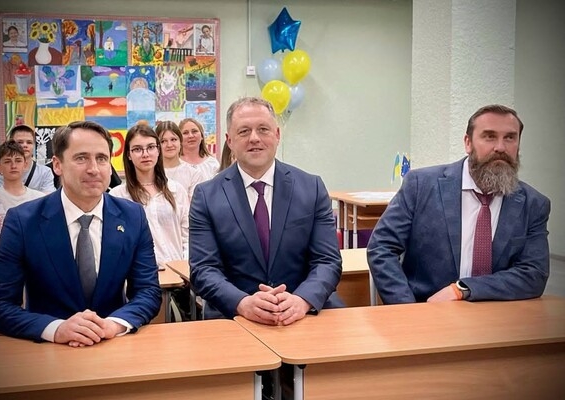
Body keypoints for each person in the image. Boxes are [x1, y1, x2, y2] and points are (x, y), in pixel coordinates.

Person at [0, 120, 162, 345]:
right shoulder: (23, 221)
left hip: (113, 344)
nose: (93, 169)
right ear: (57, 165)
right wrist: (56, 329)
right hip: (48, 350)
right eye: (81, 158)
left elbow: (148, 291)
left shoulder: (133, 216)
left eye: (101, 158)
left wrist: (114, 324)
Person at [367, 104, 551, 304]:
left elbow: (534, 273)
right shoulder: (421, 185)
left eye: (509, 138)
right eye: (489, 136)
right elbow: (382, 247)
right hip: (426, 309)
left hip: (497, 313)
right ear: (468, 143)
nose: (500, 147)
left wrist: (463, 289)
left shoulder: (533, 204)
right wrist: (407, 308)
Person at [189, 97, 343, 326]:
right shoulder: (206, 196)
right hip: (235, 316)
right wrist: (242, 302)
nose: (254, 138)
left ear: (277, 135)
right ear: (229, 141)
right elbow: (203, 269)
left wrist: (302, 300)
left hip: (303, 312)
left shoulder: (312, 187)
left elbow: (328, 261)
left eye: (263, 129)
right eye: (244, 131)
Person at [110, 123, 189, 263]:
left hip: (177, 271)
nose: (145, 154)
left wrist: (184, 264)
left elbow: (188, 236)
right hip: (140, 272)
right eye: (137, 149)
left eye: (151, 147)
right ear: (128, 154)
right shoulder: (118, 196)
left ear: (158, 150)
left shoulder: (176, 190)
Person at [0, 124, 56, 193]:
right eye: (20, 142)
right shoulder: (0, 172)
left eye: (29, 142)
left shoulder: (45, 172)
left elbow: (48, 197)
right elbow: (1, 196)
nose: (25, 145)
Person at [155, 120, 207, 199]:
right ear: (157, 145)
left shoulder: (194, 174)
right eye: (163, 141)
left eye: (173, 139)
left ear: (180, 141)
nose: (169, 145)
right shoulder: (151, 173)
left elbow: (196, 203)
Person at [0, 141, 45, 211]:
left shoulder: (39, 198)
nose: (13, 166)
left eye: (18, 161)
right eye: (7, 161)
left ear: (25, 165)